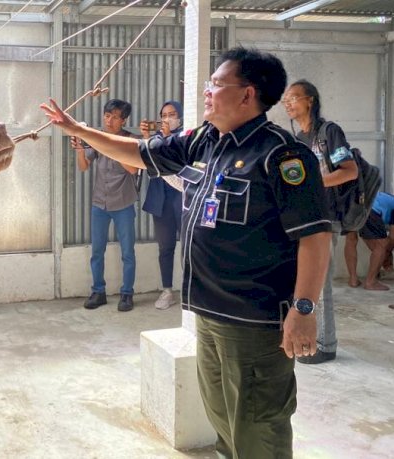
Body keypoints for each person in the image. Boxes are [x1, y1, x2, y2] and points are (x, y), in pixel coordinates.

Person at [42, 47, 331, 459]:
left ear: (247, 95)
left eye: (216, 83)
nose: (206, 91)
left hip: (254, 321)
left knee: (257, 428)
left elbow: (315, 236)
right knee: (225, 426)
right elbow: (139, 155)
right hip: (210, 316)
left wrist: (303, 309)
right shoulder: (206, 140)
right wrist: (83, 131)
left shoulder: (281, 155)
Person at [283, 79, 358, 364]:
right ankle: (307, 339)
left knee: (321, 283)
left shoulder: (329, 132)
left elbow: (349, 171)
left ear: (310, 100)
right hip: (302, 220)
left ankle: (326, 345)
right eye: (285, 100)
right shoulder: (295, 140)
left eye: (293, 98)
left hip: (327, 217)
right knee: (302, 281)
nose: (288, 103)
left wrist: (312, 184)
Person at [72, 99, 139, 312]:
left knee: (127, 252)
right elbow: (83, 167)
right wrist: (80, 149)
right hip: (99, 203)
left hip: (124, 203)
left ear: (124, 120)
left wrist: (111, 146)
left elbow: (133, 169)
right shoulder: (97, 139)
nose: (109, 121)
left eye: (115, 117)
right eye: (107, 116)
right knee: (97, 251)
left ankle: (127, 294)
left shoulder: (131, 140)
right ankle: (98, 291)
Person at [139, 101, 184, 310]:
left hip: (183, 200)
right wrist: (148, 139)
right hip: (162, 202)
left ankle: (191, 290)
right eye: (164, 115)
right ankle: (167, 291)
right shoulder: (155, 140)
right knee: (165, 247)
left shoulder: (187, 138)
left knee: (190, 248)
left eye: (172, 114)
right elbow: (148, 160)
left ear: (181, 117)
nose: (167, 119)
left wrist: (168, 138)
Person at [345, 191, 394, 289]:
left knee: (351, 239)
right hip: (370, 207)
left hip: (349, 204)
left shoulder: (388, 199)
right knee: (381, 246)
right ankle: (370, 282)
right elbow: (392, 237)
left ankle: (353, 280)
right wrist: (387, 253)